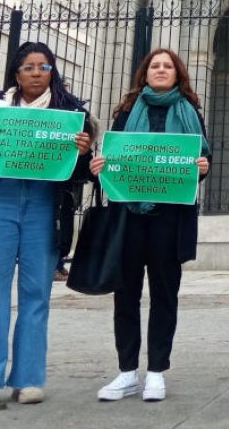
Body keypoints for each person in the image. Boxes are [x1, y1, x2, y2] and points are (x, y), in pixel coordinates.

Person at [0, 42, 94, 408]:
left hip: (44, 207)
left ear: (53, 72)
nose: (37, 73)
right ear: (16, 72)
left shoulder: (71, 112)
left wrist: (84, 152)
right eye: (29, 67)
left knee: (37, 295)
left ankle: (28, 378)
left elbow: (83, 175)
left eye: (44, 67)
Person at [89, 49, 211, 403]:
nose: (160, 70)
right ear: (145, 73)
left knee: (164, 296)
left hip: (169, 220)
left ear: (178, 74)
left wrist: (203, 167)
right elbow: (114, 156)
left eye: (167, 66)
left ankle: (156, 371)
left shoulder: (191, 113)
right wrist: (100, 167)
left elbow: (204, 160)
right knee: (125, 295)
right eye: (155, 66)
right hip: (128, 217)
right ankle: (127, 371)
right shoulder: (127, 111)